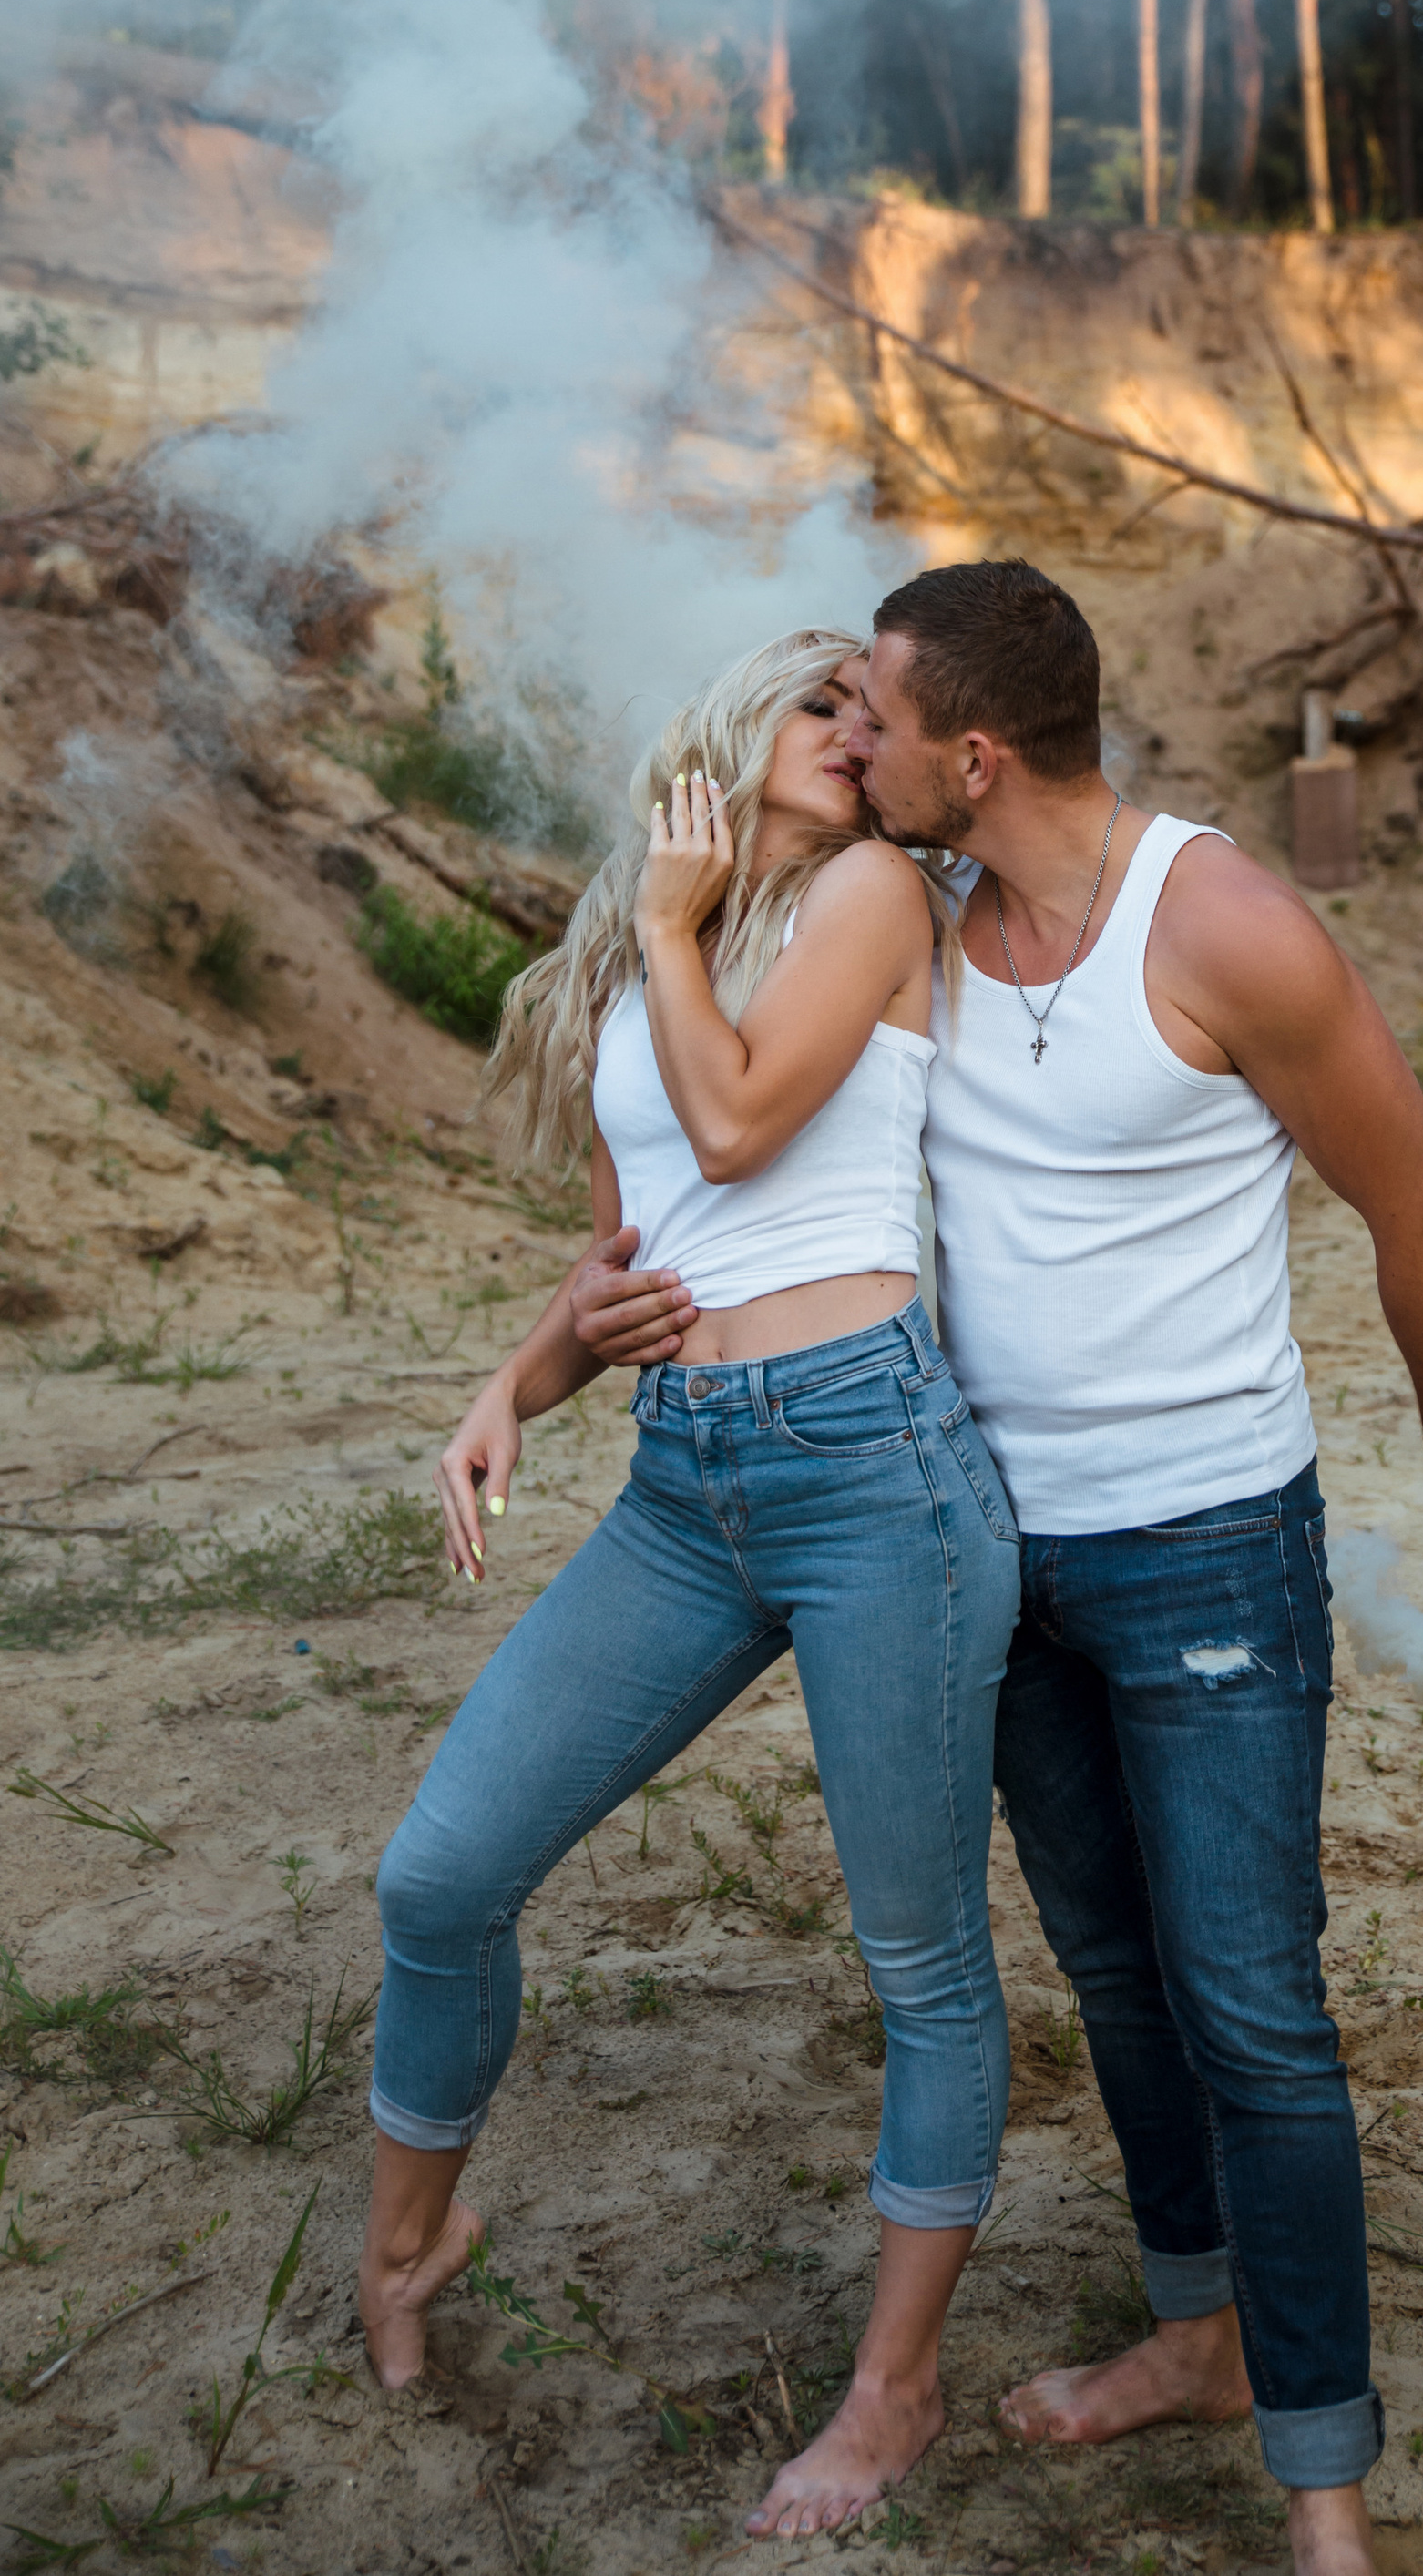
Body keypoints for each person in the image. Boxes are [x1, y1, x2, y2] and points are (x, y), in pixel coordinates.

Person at [842, 560, 1423, 2576]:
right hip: (990, 1560)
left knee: (1251, 2008)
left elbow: (1410, 1203)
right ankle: (1197, 2336)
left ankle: (1321, 2490)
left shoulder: (1218, 918)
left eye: (878, 715)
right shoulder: (911, 930)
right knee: (1120, 1989)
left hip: (1209, 1542)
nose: (856, 742)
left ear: (973, 754)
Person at [355, 630, 1021, 2546]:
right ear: (724, 739)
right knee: (442, 1871)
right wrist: (513, 1384)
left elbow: (745, 1129)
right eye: (815, 701)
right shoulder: (633, 976)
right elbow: (636, 1269)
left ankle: (895, 2390)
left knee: (918, 1961)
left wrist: (667, 923)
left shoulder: (873, 895)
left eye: (867, 708)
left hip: (871, 1466)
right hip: (689, 1483)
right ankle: (409, 2244)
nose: (852, 730)